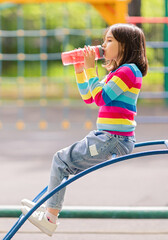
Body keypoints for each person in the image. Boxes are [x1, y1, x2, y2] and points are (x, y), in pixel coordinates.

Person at [20, 23, 148, 236]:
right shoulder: (117, 72)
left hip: (113, 139)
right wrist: (81, 70)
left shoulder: (129, 71)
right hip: (106, 137)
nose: (103, 45)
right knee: (63, 164)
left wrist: (91, 68)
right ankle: (50, 213)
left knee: (61, 160)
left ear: (125, 46)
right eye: (104, 39)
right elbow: (89, 97)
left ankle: (50, 218)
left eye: (109, 41)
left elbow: (100, 98)